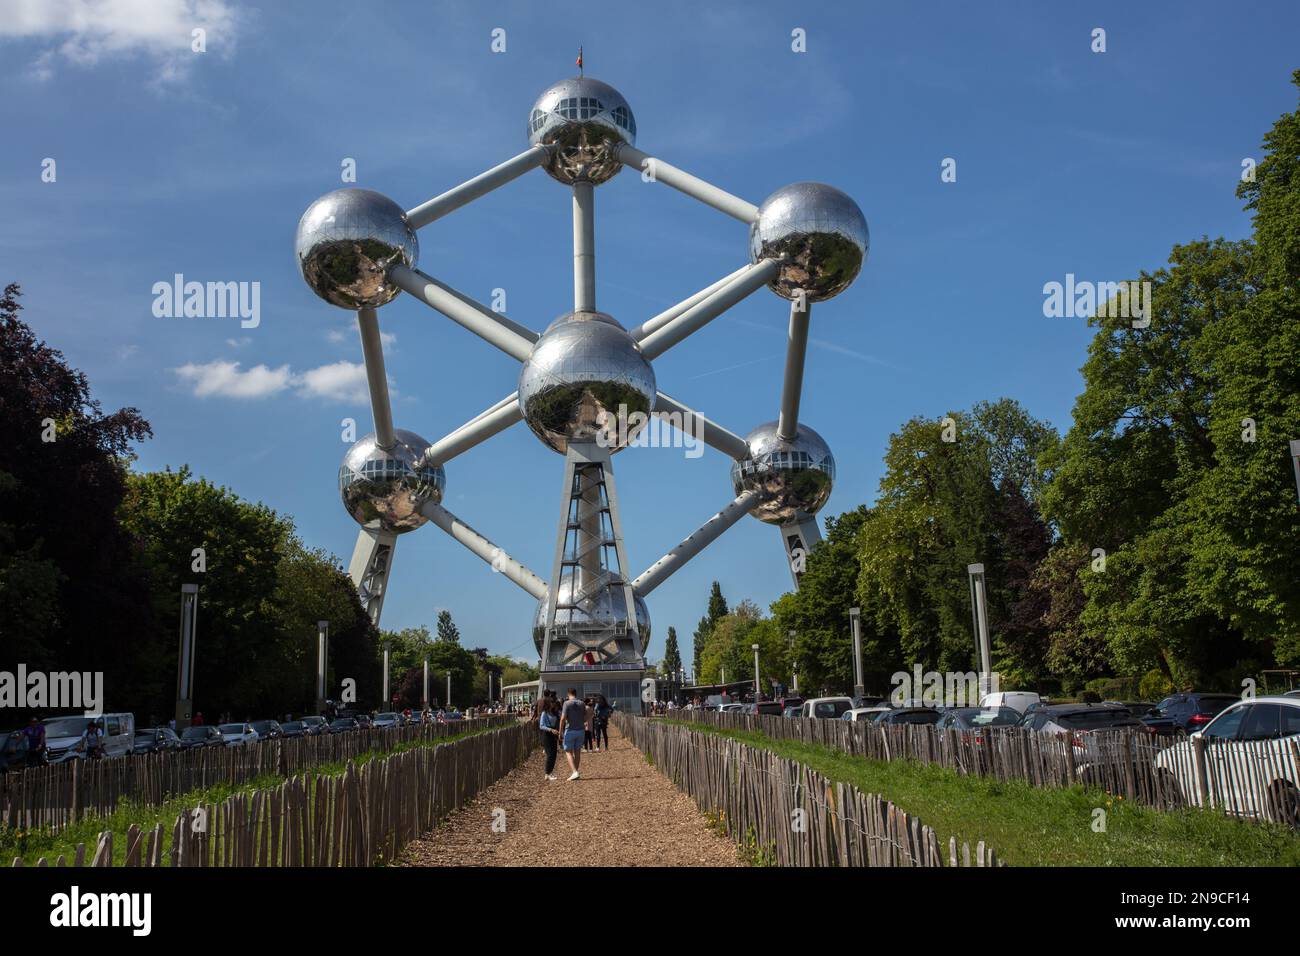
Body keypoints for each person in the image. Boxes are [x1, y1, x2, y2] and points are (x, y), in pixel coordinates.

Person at [558, 688, 587, 781]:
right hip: (581, 730)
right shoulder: (582, 703)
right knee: (577, 751)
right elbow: (585, 717)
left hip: (570, 730)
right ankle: (575, 772)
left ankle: (574, 772)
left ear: (568, 694)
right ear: (576, 693)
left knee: (568, 751)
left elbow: (562, 718)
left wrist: (560, 731)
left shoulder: (566, 703)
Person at [537, 696, 560, 781]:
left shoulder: (555, 713)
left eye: (554, 702)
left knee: (554, 755)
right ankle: (547, 773)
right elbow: (541, 725)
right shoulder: (544, 713)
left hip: (554, 734)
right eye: (552, 702)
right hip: (547, 735)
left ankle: (550, 772)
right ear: (548, 704)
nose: (553, 704)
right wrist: (551, 729)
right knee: (550, 755)